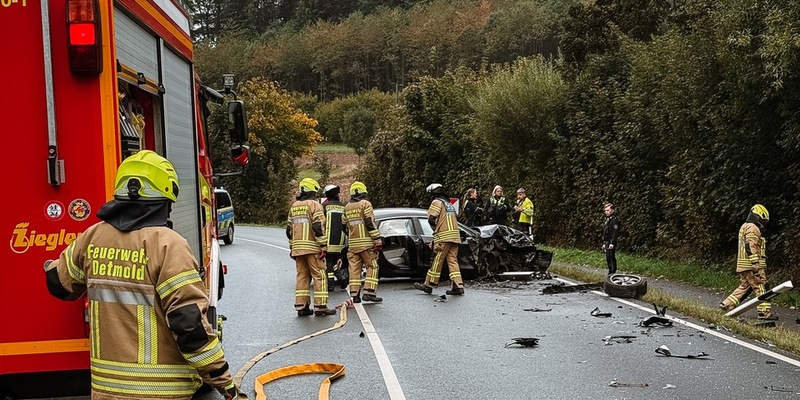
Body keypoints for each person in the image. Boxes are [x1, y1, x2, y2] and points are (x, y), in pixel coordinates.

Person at [43, 150, 243, 399]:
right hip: (160, 393)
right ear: (166, 200)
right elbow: (190, 326)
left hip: (106, 392)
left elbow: (59, 284)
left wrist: (48, 263)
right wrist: (225, 382)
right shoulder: (168, 245)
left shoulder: (93, 237)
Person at [287, 178, 335, 316]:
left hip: (298, 249)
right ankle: (321, 306)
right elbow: (318, 227)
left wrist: (292, 248)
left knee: (302, 276)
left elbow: (289, 230)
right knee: (319, 275)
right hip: (313, 248)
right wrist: (323, 246)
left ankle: (301, 306)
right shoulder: (315, 205)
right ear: (313, 191)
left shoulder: (294, 206)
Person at [720, 204, 775, 320]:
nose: (763, 223)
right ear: (758, 216)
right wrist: (755, 263)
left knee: (745, 286)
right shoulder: (752, 228)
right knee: (762, 286)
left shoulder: (744, 226)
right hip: (751, 265)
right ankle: (764, 313)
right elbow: (750, 245)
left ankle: (727, 304)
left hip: (743, 264)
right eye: (763, 220)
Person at [414, 183, 465, 296]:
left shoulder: (436, 202)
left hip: (443, 237)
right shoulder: (449, 204)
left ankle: (429, 285)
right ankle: (458, 286)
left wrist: (435, 236)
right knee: (452, 261)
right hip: (455, 237)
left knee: (437, 260)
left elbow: (432, 220)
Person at [342, 181, 383, 303]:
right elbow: (369, 223)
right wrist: (377, 238)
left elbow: (344, 226)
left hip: (353, 245)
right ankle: (369, 292)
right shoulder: (365, 204)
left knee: (354, 269)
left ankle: (354, 295)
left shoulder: (347, 207)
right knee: (373, 266)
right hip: (366, 244)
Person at [322, 184, 348, 290]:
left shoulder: (324, 207)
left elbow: (321, 224)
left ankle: (331, 285)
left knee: (328, 263)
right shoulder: (343, 207)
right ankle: (342, 277)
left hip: (328, 241)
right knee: (337, 261)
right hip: (341, 241)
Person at [602, 202, 620, 275]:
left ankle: (612, 273)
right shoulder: (608, 220)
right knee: (608, 258)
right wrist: (604, 243)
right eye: (605, 210)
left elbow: (615, 233)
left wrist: (612, 243)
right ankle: (610, 272)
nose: (606, 212)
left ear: (612, 210)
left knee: (611, 257)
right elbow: (605, 232)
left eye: (608, 210)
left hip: (611, 242)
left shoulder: (614, 220)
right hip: (607, 242)